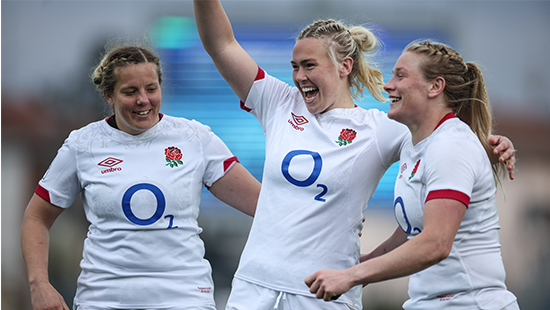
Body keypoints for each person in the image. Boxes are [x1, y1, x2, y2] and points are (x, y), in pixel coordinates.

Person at [193, 1, 516, 309]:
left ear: (344, 66)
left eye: (309, 65)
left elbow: (438, 131)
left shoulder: (380, 129)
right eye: (295, 66)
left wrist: (487, 142)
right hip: (255, 284)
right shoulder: (278, 103)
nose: (299, 76)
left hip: (323, 290)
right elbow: (222, 44)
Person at [20, 43, 261, 310]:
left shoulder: (195, 138)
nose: (143, 100)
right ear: (108, 96)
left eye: (151, 88)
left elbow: (264, 205)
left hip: (184, 299)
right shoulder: (83, 145)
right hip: (104, 300)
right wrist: (39, 284)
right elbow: (35, 218)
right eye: (130, 91)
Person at [305, 40, 520, 310]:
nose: (388, 84)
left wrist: (351, 276)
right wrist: (366, 262)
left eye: (401, 75)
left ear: (435, 86)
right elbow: (414, 230)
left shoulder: (452, 145)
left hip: (470, 303)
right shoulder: (414, 142)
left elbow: (436, 243)